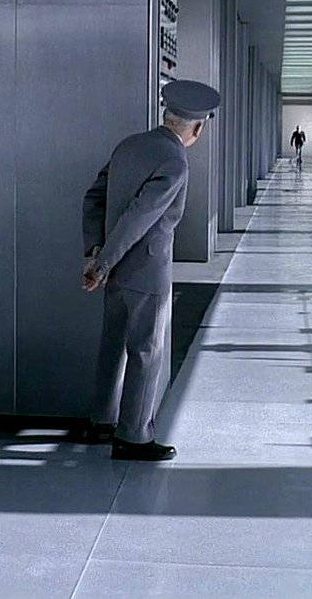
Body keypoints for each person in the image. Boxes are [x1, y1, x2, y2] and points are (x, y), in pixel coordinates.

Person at [80, 80, 220, 461]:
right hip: (146, 271)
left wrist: (96, 252)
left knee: (112, 346)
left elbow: (94, 197)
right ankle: (134, 436)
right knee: (145, 350)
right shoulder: (175, 161)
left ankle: (101, 421)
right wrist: (103, 262)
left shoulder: (128, 146)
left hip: (113, 272)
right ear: (197, 128)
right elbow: (140, 216)